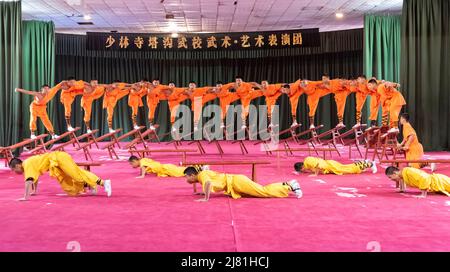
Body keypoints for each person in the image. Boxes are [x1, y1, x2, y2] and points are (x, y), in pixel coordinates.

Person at [9, 151, 111, 201]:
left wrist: (25, 197)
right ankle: (90, 185)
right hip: (56, 166)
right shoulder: (28, 165)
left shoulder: (27, 165)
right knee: (69, 188)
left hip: (59, 158)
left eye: (13, 169)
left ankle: (103, 182)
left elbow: (29, 181)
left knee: (77, 175)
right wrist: (34, 191)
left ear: (17, 165)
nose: (14, 172)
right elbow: (34, 178)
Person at [183, 166, 303, 201]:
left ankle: (289, 185)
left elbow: (208, 183)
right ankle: (287, 185)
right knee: (259, 192)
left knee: (263, 191)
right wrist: (203, 192)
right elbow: (208, 183)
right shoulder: (201, 176)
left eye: (186, 177)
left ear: (192, 175)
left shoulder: (202, 175)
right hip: (235, 183)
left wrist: (206, 198)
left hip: (237, 182)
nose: (186, 179)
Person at [385, 166, 450, 198]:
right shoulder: (403, 173)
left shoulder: (408, 171)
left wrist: (423, 194)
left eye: (390, 177)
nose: (390, 179)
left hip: (440, 181)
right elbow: (402, 178)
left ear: (395, 173)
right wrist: (402, 189)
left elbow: (424, 177)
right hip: (438, 183)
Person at [294, 156, 377, 175]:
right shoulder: (307, 164)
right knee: (348, 167)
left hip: (331, 165)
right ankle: (364, 162)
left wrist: (315, 174)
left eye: (302, 170)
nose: (304, 171)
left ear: (301, 167)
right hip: (330, 166)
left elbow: (318, 165)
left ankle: (370, 164)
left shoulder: (307, 161)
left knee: (350, 169)